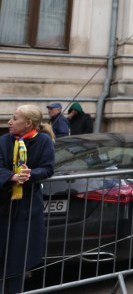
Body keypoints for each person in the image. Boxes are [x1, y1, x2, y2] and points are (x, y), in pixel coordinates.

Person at [0, 105, 55, 294]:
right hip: (4, 206)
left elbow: (48, 168)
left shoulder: (43, 142)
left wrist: (31, 174)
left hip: (27, 209)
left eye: (14, 118)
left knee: (18, 256)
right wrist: (12, 176)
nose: (9, 122)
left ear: (28, 123)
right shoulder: (4, 141)